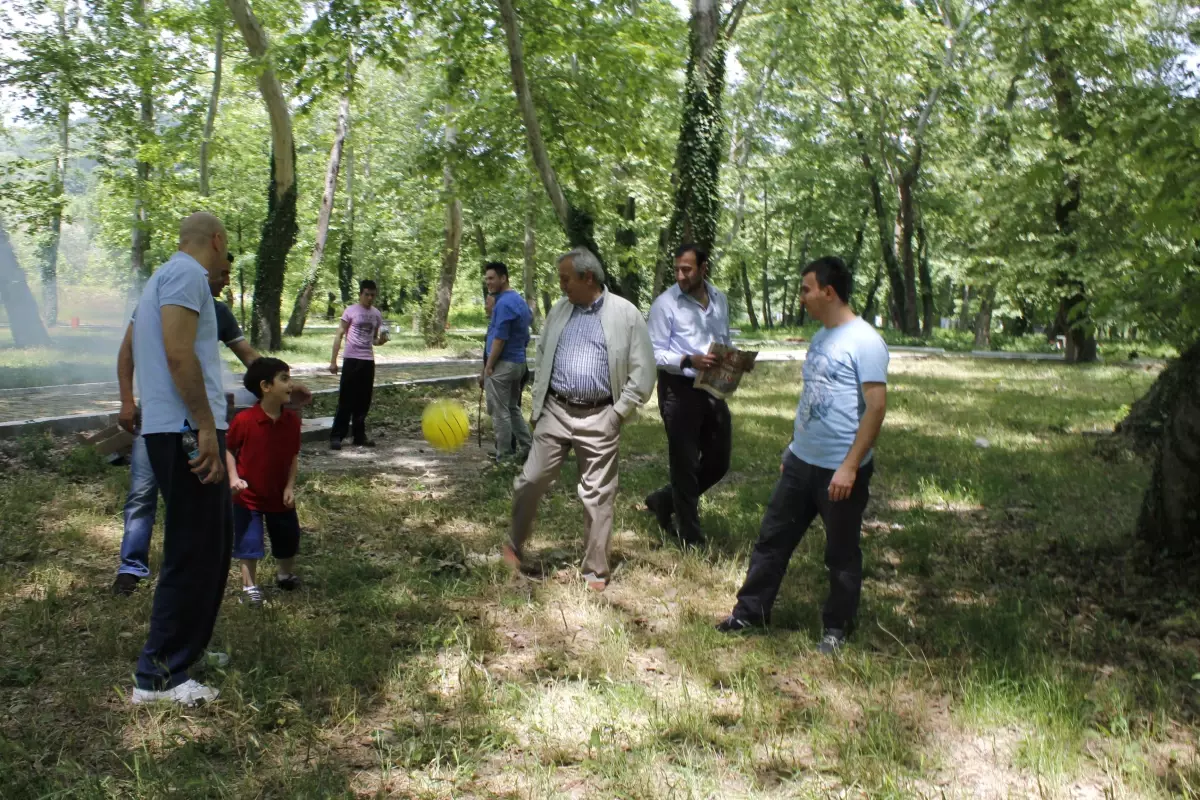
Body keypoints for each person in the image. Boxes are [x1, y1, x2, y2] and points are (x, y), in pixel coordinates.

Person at [717, 256, 889, 655]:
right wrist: (793, 447)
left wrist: (849, 467)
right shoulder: (820, 338)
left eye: (806, 289)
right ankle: (751, 612)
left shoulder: (865, 341)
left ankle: (836, 628)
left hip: (840, 472)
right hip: (801, 464)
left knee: (841, 554)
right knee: (772, 539)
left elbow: (876, 407)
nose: (801, 298)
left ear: (829, 292)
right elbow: (813, 399)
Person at [111, 255, 310, 596]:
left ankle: (190, 570)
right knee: (143, 493)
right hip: (158, 417)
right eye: (223, 273)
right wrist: (127, 399)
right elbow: (127, 350)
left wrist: (282, 386)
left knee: (194, 500)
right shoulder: (160, 300)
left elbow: (251, 360)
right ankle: (131, 567)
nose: (226, 280)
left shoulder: (218, 312)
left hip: (196, 420)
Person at [502, 248, 655, 592]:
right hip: (555, 410)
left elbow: (644, 369)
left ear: (588, 278)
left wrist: (619, 412)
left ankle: (594, 572)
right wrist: (540, 400)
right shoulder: (559, 310)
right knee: (530, 480)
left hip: (601, 414)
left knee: (598, 495)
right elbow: (542, 354)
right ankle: (514, 545)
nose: (561, 286)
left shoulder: (626, 314)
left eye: (565, 279)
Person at [128, 212, 234, 706]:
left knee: (212, 543)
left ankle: (185, 652)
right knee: (193, 548)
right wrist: (206, 427)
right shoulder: (188, 275)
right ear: (216, 240)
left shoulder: (162, 276)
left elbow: (133, 345)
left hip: (177, 428)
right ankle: (158, 675)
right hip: (184, 431)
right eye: (226, 244)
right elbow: (177, 354)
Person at [644, 244, 745, 544]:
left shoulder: (719, 299)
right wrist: (688, 359)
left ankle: (665, 499)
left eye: (686, 269)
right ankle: (691, 537)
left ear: (704, 268)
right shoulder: (665, 304)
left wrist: (734, 361)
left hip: (712, 387)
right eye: (676, 269)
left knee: (719, 460)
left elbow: (722, 339)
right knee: (685, 463)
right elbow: (653, 352)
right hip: (679, 389)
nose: (680, 275)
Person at [225, 357, 302, 607]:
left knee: (288, 537)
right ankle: (249, 588)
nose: (291, 384)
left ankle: (284, 574)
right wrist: (234, 478)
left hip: (280, 496)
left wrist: (290, 487)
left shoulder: (292, 422)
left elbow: (293, 456)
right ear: (265, 386)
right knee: (249, 543)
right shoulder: (245, 420)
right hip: (249, 497)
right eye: (284, 379)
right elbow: (228, 450)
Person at [480, 261, 533, 461]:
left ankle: (505, 456)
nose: (488, 283)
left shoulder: (503, 304)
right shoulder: (518, 300)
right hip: (519, 363)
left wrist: (489, 366)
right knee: (512, 407)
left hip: (504, 364)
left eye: (492, 278)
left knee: (499, 411)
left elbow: (500, 339)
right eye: (487, 279)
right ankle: (528, 448)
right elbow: (525, 334)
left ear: (504, 278)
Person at [329, 279, 387, 450]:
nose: (370, 298)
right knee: (346, 399)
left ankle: (359, 436)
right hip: (351, 359)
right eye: (367, 294)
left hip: (367, 360)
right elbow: (339, 334)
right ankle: (337, 436)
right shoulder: (351, 311)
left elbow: (374, 339)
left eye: (373, 295)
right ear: (361, 294)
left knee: (363, 400)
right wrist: (333, 361)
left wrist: (381, 341)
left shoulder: (376, 314)